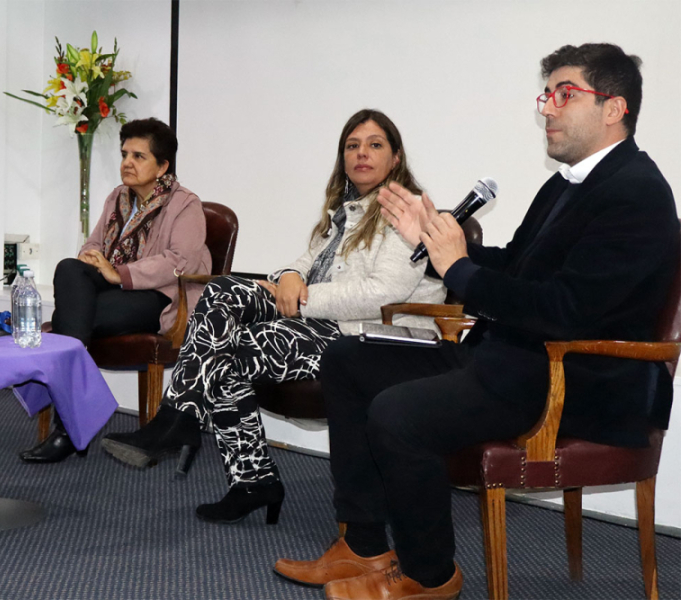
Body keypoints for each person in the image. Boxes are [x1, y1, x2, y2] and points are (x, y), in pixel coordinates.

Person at [273, 44, 679, 600]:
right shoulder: (567, 184)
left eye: (565, 94)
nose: (547, 109)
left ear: (615, 108)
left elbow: (566, 310)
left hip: (574, 382)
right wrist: (443, 245)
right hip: (509, 359)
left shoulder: (637, 193)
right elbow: (518, 264)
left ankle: (430, 577)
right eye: (546, 95)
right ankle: (364, 546)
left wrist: (459, 269)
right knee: (347, 360)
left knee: (399, 414)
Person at [101, 109, 446, 524]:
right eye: (352, 146)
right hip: (320, 322)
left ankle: (202, 439)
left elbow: (380, 294)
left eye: (375, 145)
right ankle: (228, 461)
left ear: (395, 158)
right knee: (221, 293)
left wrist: (300, 299)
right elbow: (300, 264)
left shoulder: (405, 214)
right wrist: (286, 277)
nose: (361, 154)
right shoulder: (344, 211)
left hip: (371, 336)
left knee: (229, 353)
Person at [19, 117, 211, 462]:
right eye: (125, 154)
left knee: (69, 324)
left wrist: (118, 273)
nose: (127, 162)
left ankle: (69, 427)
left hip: (157, 299)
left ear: (163, 165)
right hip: (113, 291)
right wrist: (91, 259)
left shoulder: (185, 204)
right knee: (68, 267)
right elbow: (93, 244)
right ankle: (72, 425)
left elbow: (181, 261)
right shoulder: (117, 198)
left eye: (139, 156)